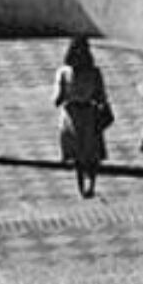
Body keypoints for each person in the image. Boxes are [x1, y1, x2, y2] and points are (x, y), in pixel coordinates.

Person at [54, 36, 113, 199]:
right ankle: (89, 186)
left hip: (73, 114)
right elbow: (101, 96)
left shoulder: (64, 72)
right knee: (90, 153)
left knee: (80, 155)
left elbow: (57, 99)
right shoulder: (94, 72)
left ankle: (83, 187)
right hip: (88, 113)